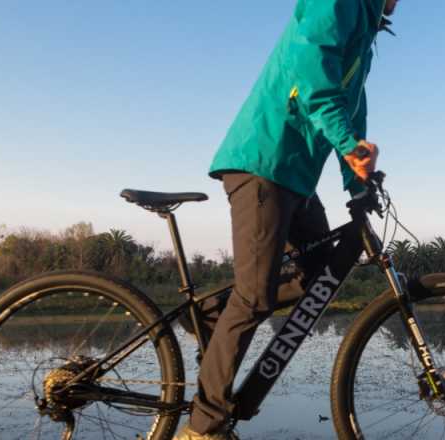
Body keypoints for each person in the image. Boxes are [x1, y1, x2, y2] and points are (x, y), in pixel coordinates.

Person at [175, 0, 399, 438]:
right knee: (254, 297)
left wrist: (358, 183)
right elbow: (311, 72)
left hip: (295, 176)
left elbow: (351, 114)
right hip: (263, 162)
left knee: (321, 275)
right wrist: (349, 146)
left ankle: (208, 316)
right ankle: (202, 426)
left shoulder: (365, 33)